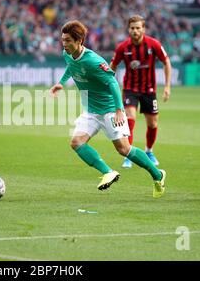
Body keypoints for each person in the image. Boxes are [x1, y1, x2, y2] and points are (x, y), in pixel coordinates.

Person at [50, 20, 166, 198]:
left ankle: (158, 175)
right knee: (76, 142)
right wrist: (61, 83)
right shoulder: (67, 53)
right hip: (90, 110)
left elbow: (112, 82)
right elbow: (71, 67)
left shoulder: (93, 61)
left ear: (79, 40)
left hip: (110, 110)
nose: (64, 44)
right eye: (63, 40)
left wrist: (119, 110)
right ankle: (108, 172)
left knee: (124, 149)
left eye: (68, 41)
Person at [109, 15, 172, 169]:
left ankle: (149, 151)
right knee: (130, 117)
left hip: (149, 90)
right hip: (130, 89)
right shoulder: (123, 47)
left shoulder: (153, 44)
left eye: (138, 28)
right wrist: (109, 84)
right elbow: (113, 66)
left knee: (153, 123)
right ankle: (129, 154)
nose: (135, 31)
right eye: (132, 28)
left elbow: (166, 62)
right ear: (128, 29)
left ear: (143, 29)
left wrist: (167, 86)